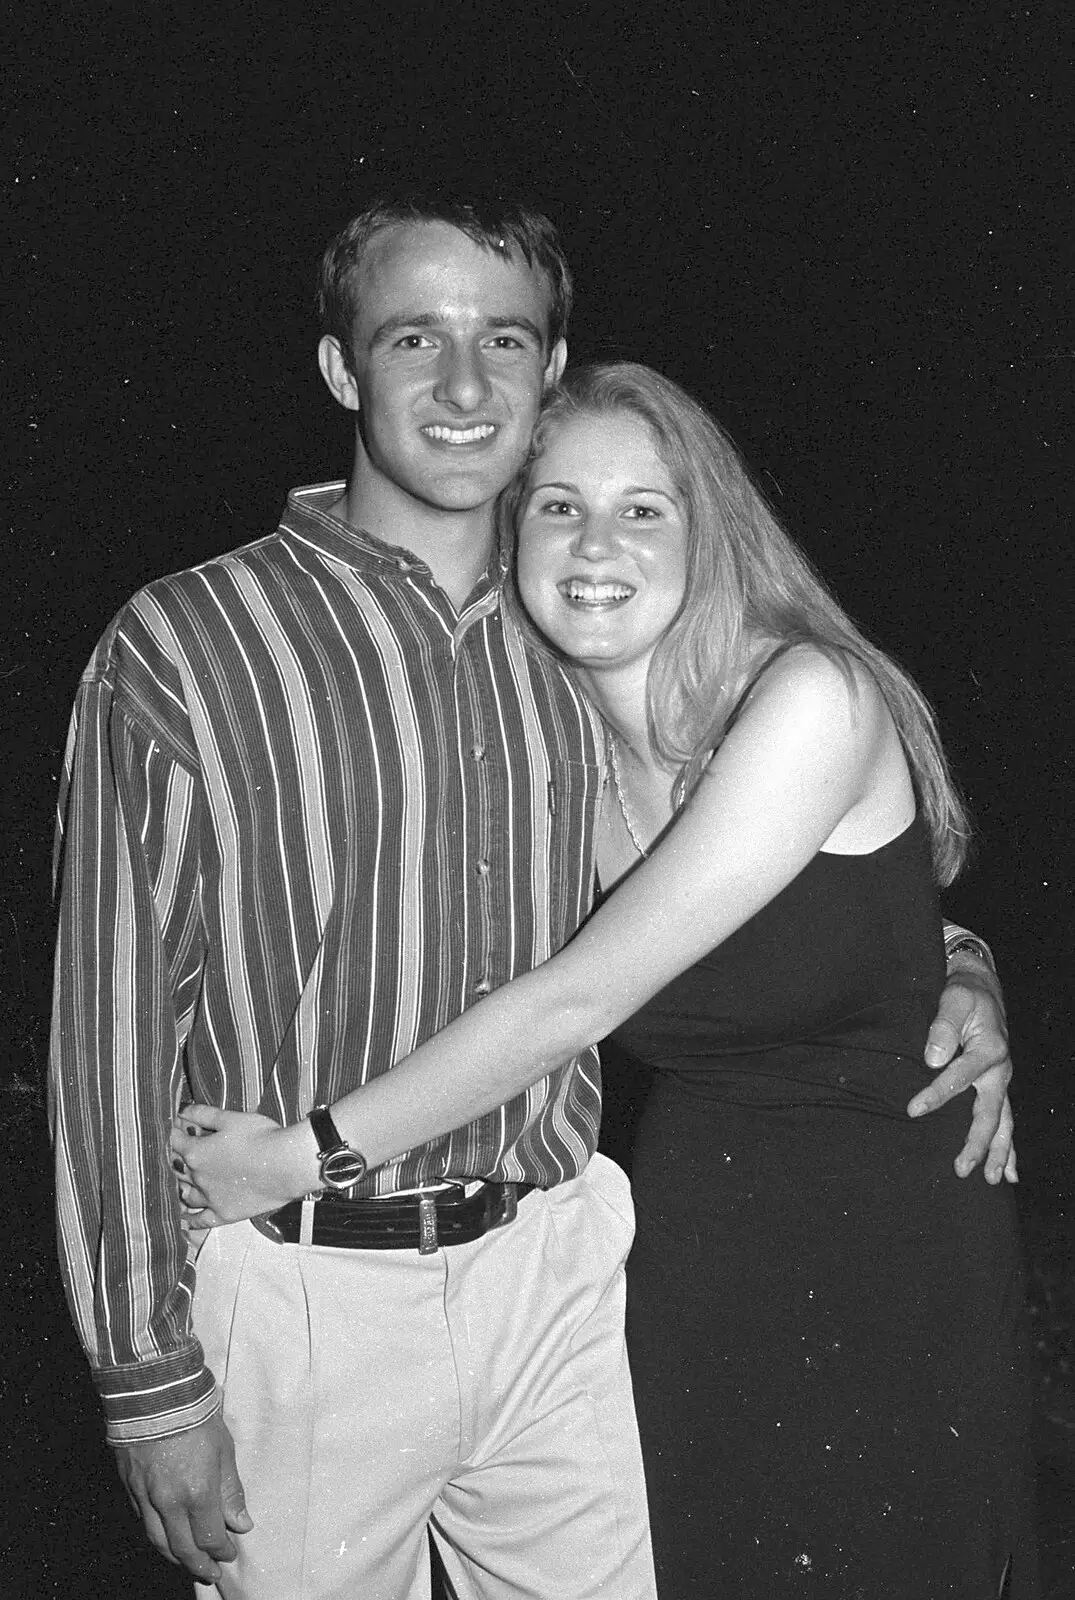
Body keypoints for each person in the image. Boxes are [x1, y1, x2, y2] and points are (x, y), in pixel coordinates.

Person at [50, 193, 1012, 1600]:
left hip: (563, 1277)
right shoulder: (193, 642)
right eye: (409, 340)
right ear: (339, 371)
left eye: (501, 340)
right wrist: (148, 1381)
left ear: (547, 374)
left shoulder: (574, 652)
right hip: (312, 1286)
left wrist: (956, 968)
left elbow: (733, 909)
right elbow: (108, 1026)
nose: (459, 386)